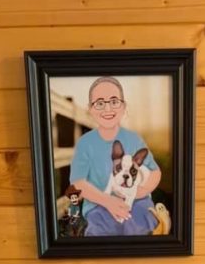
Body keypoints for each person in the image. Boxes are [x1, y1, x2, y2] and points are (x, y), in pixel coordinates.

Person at [69, 76, 162, 236]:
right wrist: (108, 201)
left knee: (139, 223)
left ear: (124, 106)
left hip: (136, 202)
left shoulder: (134, 139)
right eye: (99, 103)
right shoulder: (85, 143)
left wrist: (141, 191)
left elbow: (155, 172)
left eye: (114, 102)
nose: (107, 109)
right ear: (90, 109)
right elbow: (78, 182)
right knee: (100, 229)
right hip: (98, 203)